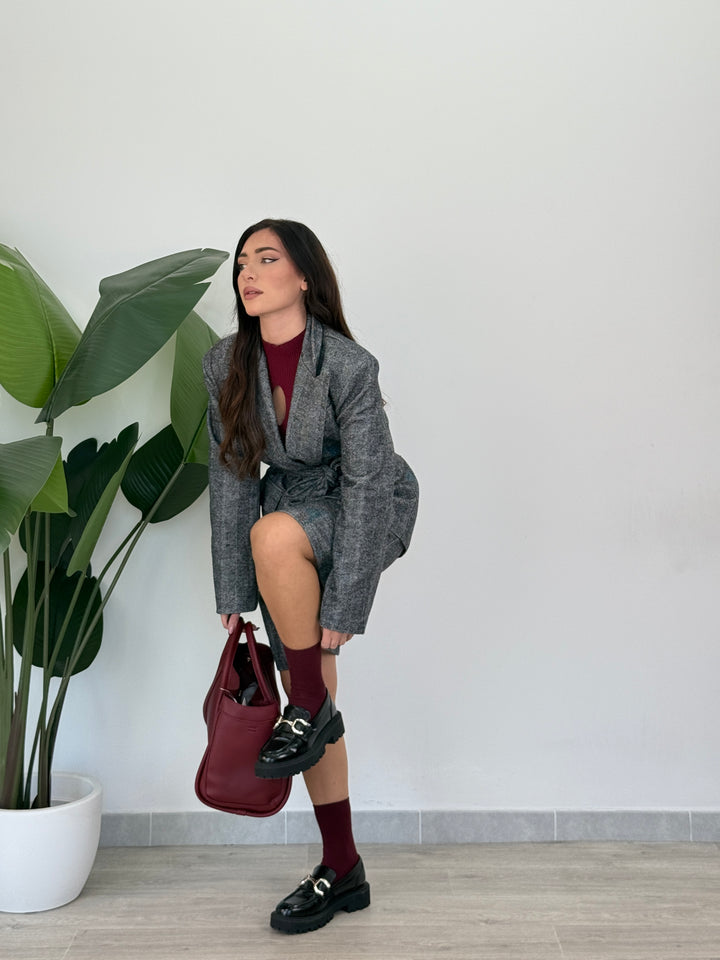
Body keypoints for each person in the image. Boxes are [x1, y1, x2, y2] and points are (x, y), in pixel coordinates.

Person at [202, 218, 419, 934]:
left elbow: (367, 484)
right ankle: (342, 867)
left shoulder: (349, 365)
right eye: (241, 263)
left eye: (266, 259)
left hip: (361, 507)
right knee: (316, 691)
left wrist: (348, 603)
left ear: (303, 276)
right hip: (284, 531)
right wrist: (233, 591)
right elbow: (232, 475)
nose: (248, 273)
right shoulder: (225, 363)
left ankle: (307, 708)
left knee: (308, 689)